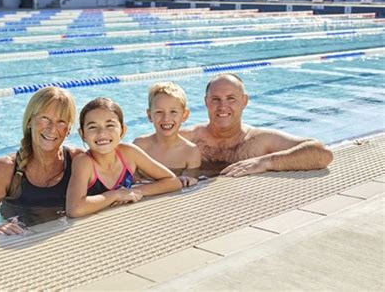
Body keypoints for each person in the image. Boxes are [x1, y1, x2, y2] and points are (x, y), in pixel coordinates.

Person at [0, 87, 84, 235]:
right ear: (30, 121)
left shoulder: (78, 161)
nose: (52, 128)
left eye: (61, 122)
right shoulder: (5, 168)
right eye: (45, 118)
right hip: (19, 241)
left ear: (68, 129)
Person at [180, 73, 334, 177]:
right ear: (206, 102)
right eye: (215, 99)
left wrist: (266, 162)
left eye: (231, 98)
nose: (222, 106)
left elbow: (322, 154)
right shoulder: (187, 139)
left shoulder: (260, 140)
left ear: (244, 101)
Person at [66, 97, 182, 218]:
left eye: (110, 125)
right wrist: (116, 195)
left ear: (122, 130)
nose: (101, 133)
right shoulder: (83, 162)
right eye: (92, 127)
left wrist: (136, 191)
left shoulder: (129, 153)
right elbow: (74, 209)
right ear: (82, 134)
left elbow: (173, 182)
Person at [133, 82, 201, 186]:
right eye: (159, 112)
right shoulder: (140, 146)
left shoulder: (190, 151)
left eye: (173, 112)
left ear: (184, 115)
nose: (166, 119)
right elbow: (131, 181)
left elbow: (190, 184)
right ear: (149, 115)